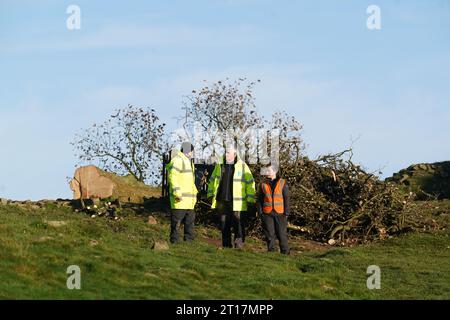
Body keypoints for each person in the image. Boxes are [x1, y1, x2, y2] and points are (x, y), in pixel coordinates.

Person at [207, 145, 256, 248]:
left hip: (237, 201)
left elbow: (250, 182)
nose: (227, 154)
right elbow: (212, 180)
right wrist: (210, 194)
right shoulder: (220, 165)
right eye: (226, 152)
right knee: (224, 224)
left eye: (229, 153)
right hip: (222, 200)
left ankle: (239, 245)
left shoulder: (242, 166)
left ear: (235, 154)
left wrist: (250, 198)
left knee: (238, 224)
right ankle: (226, 245)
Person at [167, 141, 198, 243]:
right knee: (177, 222)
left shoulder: (188, 162)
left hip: (189, 201)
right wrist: (177, 193)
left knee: (189, 222)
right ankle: (174, 241)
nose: (192, 153)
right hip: (179, 199)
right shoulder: (178, 160)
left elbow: (190, 182)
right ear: (187, 151)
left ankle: (188, 241)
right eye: (192, 151)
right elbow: (173, 178)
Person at [257, 164, 290, 254]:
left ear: (274, 171)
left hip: (280, 213)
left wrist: (286, 213)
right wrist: (260, 212)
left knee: (281, 234)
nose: (267, 172)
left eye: (269, 170)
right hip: (267, 213)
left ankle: (285, 252)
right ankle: (271, 252)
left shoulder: (282, 182)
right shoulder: (263, 184)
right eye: (266, 170)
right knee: (269, 234)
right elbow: (259, 199)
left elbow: (286, 198)